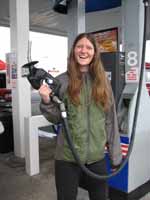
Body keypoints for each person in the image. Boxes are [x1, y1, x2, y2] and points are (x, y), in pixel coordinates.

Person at [38, 33, 122, 200]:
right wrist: (47, 101)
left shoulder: (102, 81)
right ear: (73, 51)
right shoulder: (61, 81)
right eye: (79, 46)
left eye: (89, 47)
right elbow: (55, 118)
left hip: (96, 157)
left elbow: (110, 121)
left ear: (94, 53)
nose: (84, 51)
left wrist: (115, 157)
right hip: (67, 158)